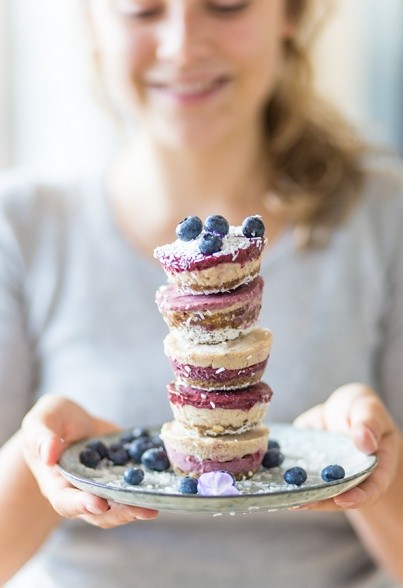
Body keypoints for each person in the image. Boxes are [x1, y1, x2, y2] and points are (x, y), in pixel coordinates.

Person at [0, 0, 402, 586]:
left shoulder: (386, 221)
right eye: (142, 10)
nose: (183, 46)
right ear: (93, 21)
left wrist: (363, 470)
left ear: (289, 13)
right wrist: (54, 461)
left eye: (227, 4)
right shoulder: (21, 229)